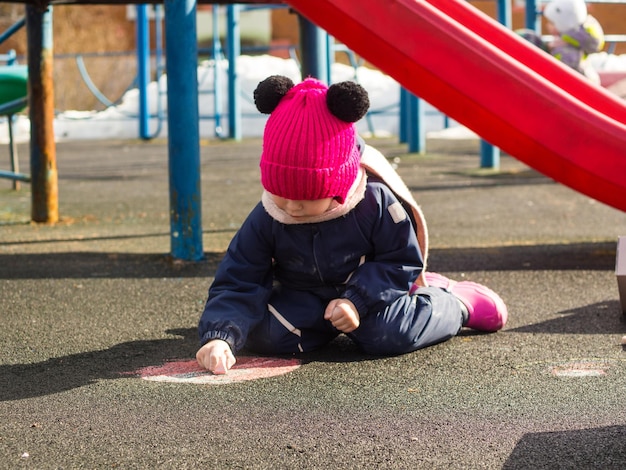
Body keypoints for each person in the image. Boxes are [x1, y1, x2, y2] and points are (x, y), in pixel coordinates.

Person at [196, 75, 508, 375]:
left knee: (387, 334)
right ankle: (318, 328)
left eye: (306, 196)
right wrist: (220, 335)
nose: (292, 207)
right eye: (281, 193)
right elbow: (239, 279)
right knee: (271, 337)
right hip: (304, 297)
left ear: (337, 183)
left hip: (372, 295)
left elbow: (399, 261)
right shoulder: (268, 215)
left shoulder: (374, 203)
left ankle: (454, 302)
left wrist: (356, 301)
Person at [518, 0, 604, 83]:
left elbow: (559, 76)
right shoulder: (572, 42)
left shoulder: (565, 52)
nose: (547, 26)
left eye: (552, 23)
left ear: (563, 24)